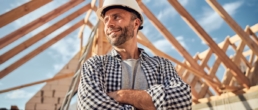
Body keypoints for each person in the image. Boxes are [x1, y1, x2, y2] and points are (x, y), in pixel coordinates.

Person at [77, 0, 192, 109]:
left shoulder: (162, 65)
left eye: (116, 17)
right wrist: (149, 104)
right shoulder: (95, 65)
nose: (109, 24)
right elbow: (91, 107)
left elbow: (184, 101)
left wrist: (121, 95)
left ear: (136, 23)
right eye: (106, 20)